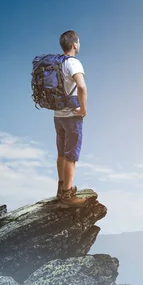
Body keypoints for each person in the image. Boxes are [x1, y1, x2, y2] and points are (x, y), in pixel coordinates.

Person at [54, 30, 88, 207]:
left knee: (61, 153)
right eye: (79, 42)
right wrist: (83, 109)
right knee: (71, 156)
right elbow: (81, 86)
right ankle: (67, 196)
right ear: (74, 44)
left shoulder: (56, 64)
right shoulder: (73, 63)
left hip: (57, 115)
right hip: (71, 116)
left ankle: (61, 189)